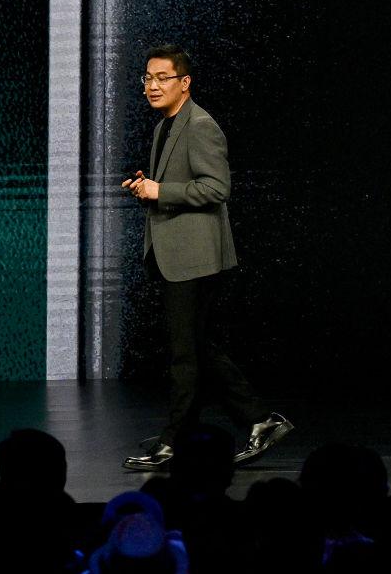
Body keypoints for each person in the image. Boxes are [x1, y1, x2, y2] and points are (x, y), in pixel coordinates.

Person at [121, 46, 291, 472]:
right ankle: (253, 422)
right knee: (194, 348)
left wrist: (162, 191)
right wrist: (148, 187)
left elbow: (217, 188)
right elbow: (179, 185)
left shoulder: (200, 125)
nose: (152, 86)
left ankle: (176, 442)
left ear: (185, 82)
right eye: (147, 78)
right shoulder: (166, 125)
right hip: (178, 254)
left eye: (162, 78)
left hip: (196, 257)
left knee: (186, 354)